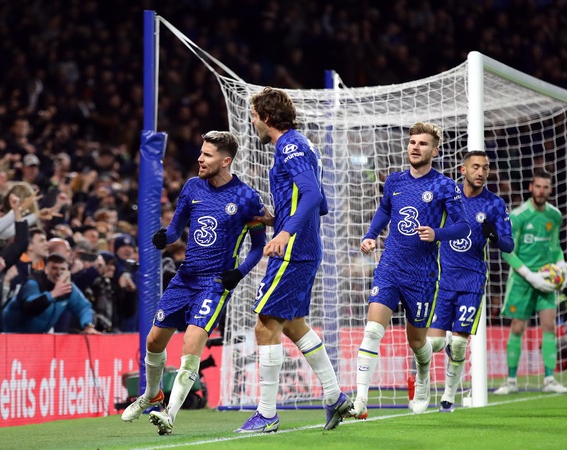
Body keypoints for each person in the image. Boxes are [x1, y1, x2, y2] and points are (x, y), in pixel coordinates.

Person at [121, 131, 266, 436]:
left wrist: (238, 273)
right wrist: (165, 236)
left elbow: (256, 246)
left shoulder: (246, 197)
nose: (200, 159)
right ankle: (152, 394)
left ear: (225, 161)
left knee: (191, 345)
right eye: (201, 152)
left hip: (214, 283)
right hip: (184, 278)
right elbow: (176, 229)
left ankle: (169, 414)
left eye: (208, 155)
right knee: (153, 342)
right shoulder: (192, 187)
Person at [234, 87, 351, 434]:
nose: (252, 121)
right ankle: (334, 396)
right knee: (294, 325)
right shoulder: (299, 144)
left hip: (293, 248)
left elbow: (313, 194)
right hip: (302, 244)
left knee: (265, 324)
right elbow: (321, 201)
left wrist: (285, 232)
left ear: (266, 117)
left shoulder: (289, 145)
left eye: (254, 115)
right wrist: (278, 219)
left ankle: (267, 413)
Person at [350, 122, 470, 418]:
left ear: (435, 150)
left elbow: (464, 227)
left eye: (423, 143)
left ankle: (424, 374)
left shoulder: (444, 185)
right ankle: (360, 401)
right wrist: (370, 235)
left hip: (423, 276)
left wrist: (437, 234)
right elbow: (385, 210)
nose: (415, 147)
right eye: (412, 142)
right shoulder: (394, 181)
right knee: (372, 330)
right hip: (390, 267)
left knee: (417, 341)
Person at [426, 150, 514, 412]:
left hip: (472, 280)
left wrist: (494, 236)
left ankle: (448, 398)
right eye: (475, 167)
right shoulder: (448, 196)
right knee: (436, 343)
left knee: (460, 342)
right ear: (463, 170)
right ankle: (420, 384)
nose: (481, 172)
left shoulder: (495, 204)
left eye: (485, 168)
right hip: (442, 278)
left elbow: (509, 245)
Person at [493, 169, 567, 395]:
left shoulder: (555, 215)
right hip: (523, 279)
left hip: (546, 280)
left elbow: (554, 247)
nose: (541, 191)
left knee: (549, 326)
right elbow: (508, 252)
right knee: (517, 328)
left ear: (550, 189)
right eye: (538, 186)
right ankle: (511, 381)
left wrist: (562, 265)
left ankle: (549, 379)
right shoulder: (518, 216)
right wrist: (529, 275)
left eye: (546, 187)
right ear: (531, 188)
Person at [2, 252, 100, 334]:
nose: (58, 273)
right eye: (54, 268)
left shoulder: (68, 287)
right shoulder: (33, 283)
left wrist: (89, 326)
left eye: (62, 269)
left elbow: (84, 307)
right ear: (46, 269)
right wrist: (53, 294)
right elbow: (29, 307)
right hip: (10, 335)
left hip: (38, 337)